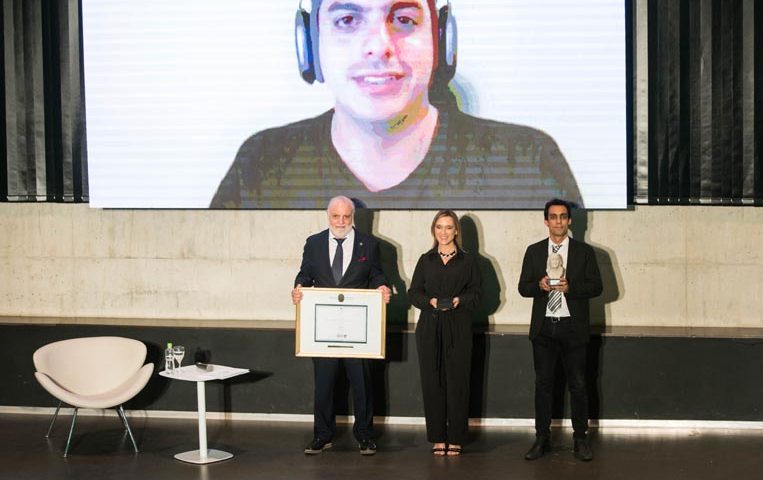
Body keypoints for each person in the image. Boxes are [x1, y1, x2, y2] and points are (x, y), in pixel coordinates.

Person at [210, 0, 582, 209]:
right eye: (347, 19)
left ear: (442, 41)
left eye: (404, 19)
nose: (379, 46)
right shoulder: (261, 163)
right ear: (310, 44)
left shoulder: (525, 162)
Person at [291, 195, 392, 455]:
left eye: (346, 216)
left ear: (353, 216)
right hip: (323, 329)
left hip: (357, 330)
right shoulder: (313, 244)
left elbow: (377, 274)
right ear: (328, 216)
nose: (341, 221)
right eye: (336, 216)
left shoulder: (369, 245)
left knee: (362, 385)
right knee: (323, 384)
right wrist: (298, 287)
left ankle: (365, 436)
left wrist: (383, 286)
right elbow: (305, 273)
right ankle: (322, 435)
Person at [517, 198, 603, 462]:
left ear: (569, 221)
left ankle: (580, 439)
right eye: (553, 217)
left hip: (572, 328)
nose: (558, 221)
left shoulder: (584, 252)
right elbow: (523, 288)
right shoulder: (533, 251)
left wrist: (571, 288)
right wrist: (540, 286)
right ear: (546, 221)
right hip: (544, 329)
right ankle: (541, 438)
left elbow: (597, 287)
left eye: (563, 216)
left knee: (578, 385)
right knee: (543, 385)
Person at [408, 210, 481, 456]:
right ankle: (438, 437)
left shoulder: (468, 260)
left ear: (456, 231)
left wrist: (461, 299)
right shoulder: (425, 260)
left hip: (459, 326)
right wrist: (429, 301)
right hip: (430, 326)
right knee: (433, 382)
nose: (444, 232)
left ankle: (457, 437)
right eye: (439, 227)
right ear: (433, 230)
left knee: (458, 382)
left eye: (449, 227)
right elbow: (414, 292)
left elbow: (478, 294)